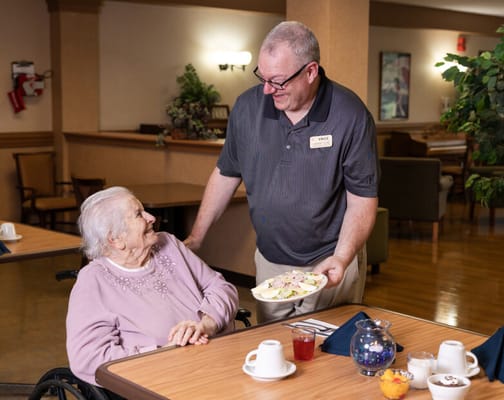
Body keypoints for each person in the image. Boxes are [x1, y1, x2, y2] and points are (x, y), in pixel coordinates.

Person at [184, 21, 379, 323]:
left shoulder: (350, 115)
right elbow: (225, 174)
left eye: (277, 81)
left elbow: (361, 200)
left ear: (311, 71)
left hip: (328, 259)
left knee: (325, 354)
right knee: (275, 351)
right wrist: (197, 237)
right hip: (270, 261)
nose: (267, 89)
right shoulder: (248, 108)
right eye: (262, 77)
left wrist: (341, 257)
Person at [66, 186, 239, 386]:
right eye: (139, 214)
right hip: (161, 381)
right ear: (116, 240)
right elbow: (88, 358)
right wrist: (164, 351)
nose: (152, 218)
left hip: (216, 360)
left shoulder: (169, 245)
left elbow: (221, 287)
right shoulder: (93, 280)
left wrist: (205, 326)